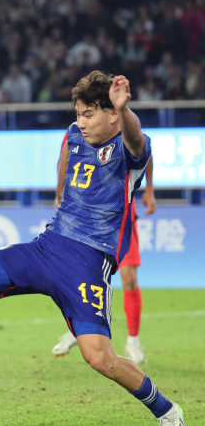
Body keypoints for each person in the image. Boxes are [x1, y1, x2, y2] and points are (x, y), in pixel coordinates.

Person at [0, 71, 187, 426]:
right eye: (79, 113)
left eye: (89, 114)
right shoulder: (73, 134)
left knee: (101, 358)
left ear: (112, 114)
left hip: (87, 262)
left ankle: (166, 409)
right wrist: (58, 191)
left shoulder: (130, 147)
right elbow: (65, 156)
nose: (81, 122)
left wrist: (125, 107)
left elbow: (135, 139)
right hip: (48, 246)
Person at [52, 141, 156, 364]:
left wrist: (149, 189)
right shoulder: (79, 129)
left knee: (129, 279)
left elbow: (144, 150)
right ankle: (78, 330)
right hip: (88, 219)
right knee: (86, 277)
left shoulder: (123, 124)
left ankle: (134, 340)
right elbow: (64, 158)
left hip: (122, 217)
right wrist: (60, 193)